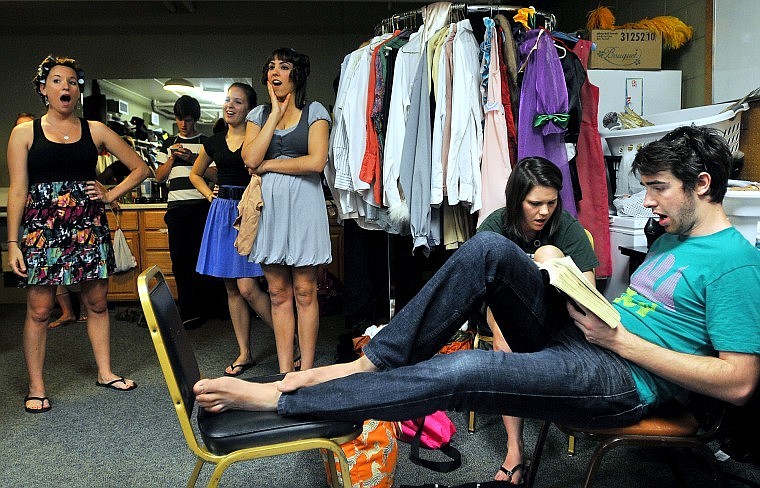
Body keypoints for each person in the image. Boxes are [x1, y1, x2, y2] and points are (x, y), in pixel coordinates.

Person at [194, 126, 760, 449]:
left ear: (703, 184)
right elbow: (650, 313)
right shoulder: (672, 238)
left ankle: (283, 396)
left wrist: (619, 344)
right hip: (595, 339)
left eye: (658, 189)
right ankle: (371, 364)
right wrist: (571, 282)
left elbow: (739, 384)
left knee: (463, 370)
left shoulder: (734, 263)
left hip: (622, 379)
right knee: (490, 248)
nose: (650, 202)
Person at [7, 55, 150, 413]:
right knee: (40, 309)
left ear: (78, 90)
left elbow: (141, 168)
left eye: (71, 81)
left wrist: (110, 194)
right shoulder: (24, 133)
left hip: (87, 225)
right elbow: (17, 190)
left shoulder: (96, 130)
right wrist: (12, 243)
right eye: (57, 81)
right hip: (42, 229)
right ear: (44, 89)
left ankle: (105, 372)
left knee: (97, 303)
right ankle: (36, 385)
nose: (65, 87)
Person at [476, 156, 598, 484]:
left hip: (555, 309)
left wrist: (555, 264)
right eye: (535, 204)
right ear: (517, 200)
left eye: (551, 202)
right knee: (504, 344)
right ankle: (515, 450)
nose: (544, 212)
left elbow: (588, 287)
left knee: (550, 254)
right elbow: (481, 286)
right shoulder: (495, 225)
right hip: (504, 307)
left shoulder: (565, 225)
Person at [241, 48, 331, 373]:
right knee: (278, 292)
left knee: (305, 291)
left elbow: (316, 162)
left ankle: (305, 372)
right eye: (271, 67)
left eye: (284, 66)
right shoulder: (257, 116)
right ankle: (285, 372)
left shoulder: (315, 111)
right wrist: (275, 116)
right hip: (271, 212)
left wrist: (271, 165)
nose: (275, 72)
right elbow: (250, 160)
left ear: (297, 74)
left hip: (305, 209)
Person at [190, 83, 274, 376]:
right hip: (222, 211)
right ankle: (245, 353)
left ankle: (292, 342)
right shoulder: (213, 142)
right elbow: (195, 173)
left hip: (248, 211)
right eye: (228, 100)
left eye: (237, 102)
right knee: (231, 287)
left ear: (248, 109)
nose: (230, 106)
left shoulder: (258, 138)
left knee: (249, 287)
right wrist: (208, 194)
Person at [155, 95, 223, 329]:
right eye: (180, 120)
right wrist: (173, 158)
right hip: (176, 207)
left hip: (201, 205)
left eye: (188, 119)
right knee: (180, 260)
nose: (184, 124)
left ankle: (205, 308)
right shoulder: (168, 144)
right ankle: (187, 310)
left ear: (195, 119)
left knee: (201, 258)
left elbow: (216, 174)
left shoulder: (208, 142)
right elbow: (158, 176)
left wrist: (193, 159)